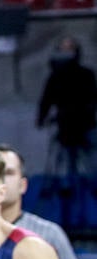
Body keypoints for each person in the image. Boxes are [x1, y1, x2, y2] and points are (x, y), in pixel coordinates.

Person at [36, 35, 97, 178]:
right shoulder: (55, 77)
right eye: (63, 48)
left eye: (69, 48)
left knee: (90, 160)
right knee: (69, 161)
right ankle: (72, 183)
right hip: (65, 126)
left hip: (85, 124)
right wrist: (41, 118)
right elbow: (46, 100)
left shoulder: (86, 74)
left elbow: (93, 97)